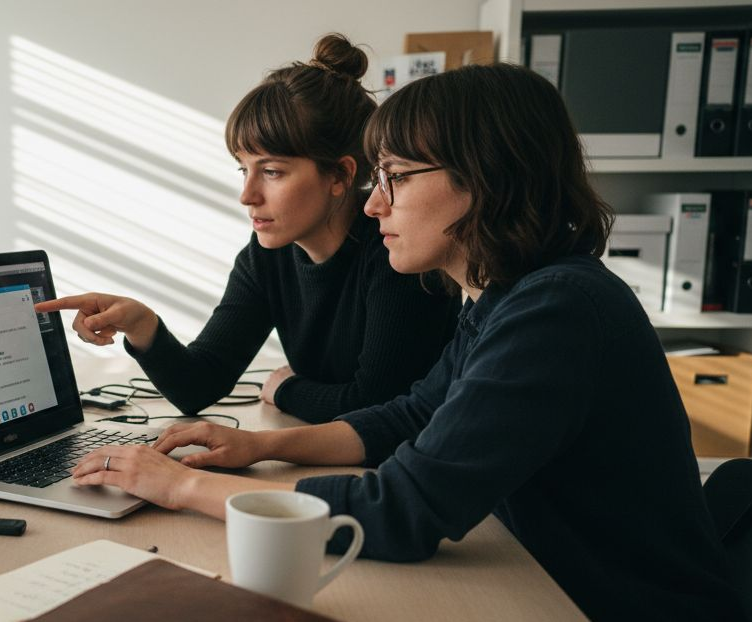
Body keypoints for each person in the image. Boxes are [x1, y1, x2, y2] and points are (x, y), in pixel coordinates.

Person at [68, 63, 752, 622]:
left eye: (396, 176)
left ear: (483, 178)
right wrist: (253, 451)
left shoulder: (557, 310)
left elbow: (405, 509)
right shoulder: (505, 298)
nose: (375, 204)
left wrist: (183, 486)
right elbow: (407, 416)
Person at [34, 34, 456, 424]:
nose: (247, 195)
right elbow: (199, 385)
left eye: (271, 171)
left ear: (340, 176)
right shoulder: (266, 257)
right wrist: (143, 326)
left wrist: (286, 388)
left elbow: (375, 407)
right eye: (244, 169)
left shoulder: (398, 253)